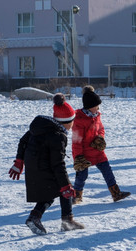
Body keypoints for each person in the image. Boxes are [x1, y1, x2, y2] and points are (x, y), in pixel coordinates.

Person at [9, 93, 84, 235]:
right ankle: (64, 221)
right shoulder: (58, 136)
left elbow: (23, 141)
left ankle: (38, 217)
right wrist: (66, 185)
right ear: (67, 122)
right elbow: (58, 163)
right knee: (63, 189)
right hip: (44, 166)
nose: (73, 124)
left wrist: (20, 161)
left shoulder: (42, 126)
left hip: (34, 165)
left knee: (53, 191)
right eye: (72, 121)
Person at [71, 85, 130, 203]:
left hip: (98, 151)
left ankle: (116, 193)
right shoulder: (79, 120)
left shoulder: (97, 116)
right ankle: (76, 195)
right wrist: (78, 157)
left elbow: (101, 129)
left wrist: (100, 138)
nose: (98, 108)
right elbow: (76, 140)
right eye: (96, 106)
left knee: (107, 171)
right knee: (82, 176)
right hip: (84, 154)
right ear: (89, 107)